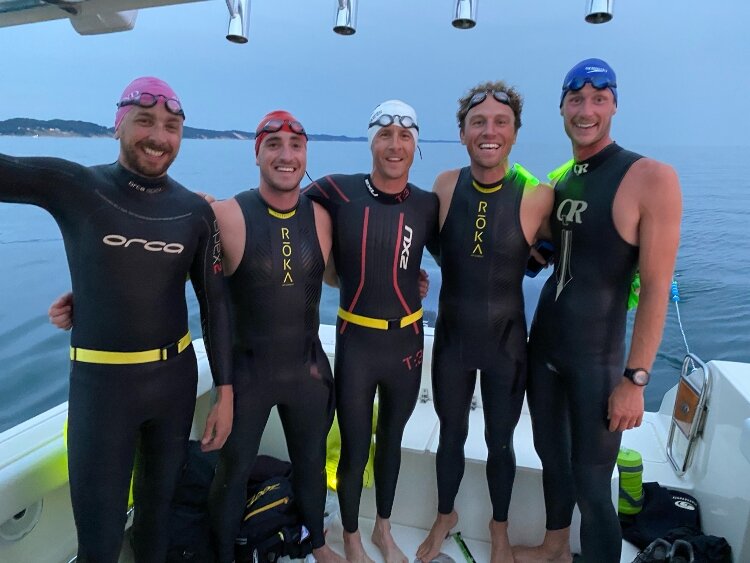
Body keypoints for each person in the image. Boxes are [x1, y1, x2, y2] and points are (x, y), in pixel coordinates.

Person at [3, 76, 234, 562]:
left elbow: (216, 305)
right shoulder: (76, 186)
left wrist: (226, 391)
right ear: (118, 125)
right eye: (145, 121)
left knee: (156, 526)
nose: (159, 136)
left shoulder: (194, 212)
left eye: (172, 126)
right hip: (101, 389)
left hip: (174, 382)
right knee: (101, 541)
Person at [514, 59, 682, 563]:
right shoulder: (564, 181)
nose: (586, 110)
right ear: (562, 108)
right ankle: (555, 547)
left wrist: (635, 378)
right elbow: (560, 251)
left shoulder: (650, 176)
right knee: (551, 459)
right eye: (575, 99)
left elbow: (655, 288)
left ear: (614, 105)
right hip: (543, 348)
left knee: (592, 482)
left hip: (598, 360)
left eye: (599, 98)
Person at [415, 81, 554, 563]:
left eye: (501, 122)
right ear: (462, 132)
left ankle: (500, 529)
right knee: (449, 432)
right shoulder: (445, 185)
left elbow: (556, 255)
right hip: (452, 338)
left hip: (507, 344)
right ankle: (444, 515)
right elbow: (433, 247)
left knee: (500, 440)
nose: (489, 131)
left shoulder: (538, 196)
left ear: (515, 133)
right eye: (478, 122)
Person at [206, 110, 345, 563]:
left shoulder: (324, 216)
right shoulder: (225, 213)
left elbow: (341, 278)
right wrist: (84, 296)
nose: (286, 155)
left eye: (296, 146)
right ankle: (224, 555)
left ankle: (317, 546)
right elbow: (166, 266)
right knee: (231, 472)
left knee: (310, 466)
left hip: (307, 370)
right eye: (274, 145)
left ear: (307, 154)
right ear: (257, 153)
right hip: (246, 375)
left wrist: (407, 282)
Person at [303, 100, 439, 563]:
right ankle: (352, 537)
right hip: (356, 341)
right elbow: (278, 204)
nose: (395, 145)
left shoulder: (426, 204)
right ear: (371, 142)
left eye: (405, 136)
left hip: (407, 342)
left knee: (392, 440)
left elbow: (460, 255)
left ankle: (383, 528)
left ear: (416, 145)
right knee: (355, 444)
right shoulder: (335, 191)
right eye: (385, 135)